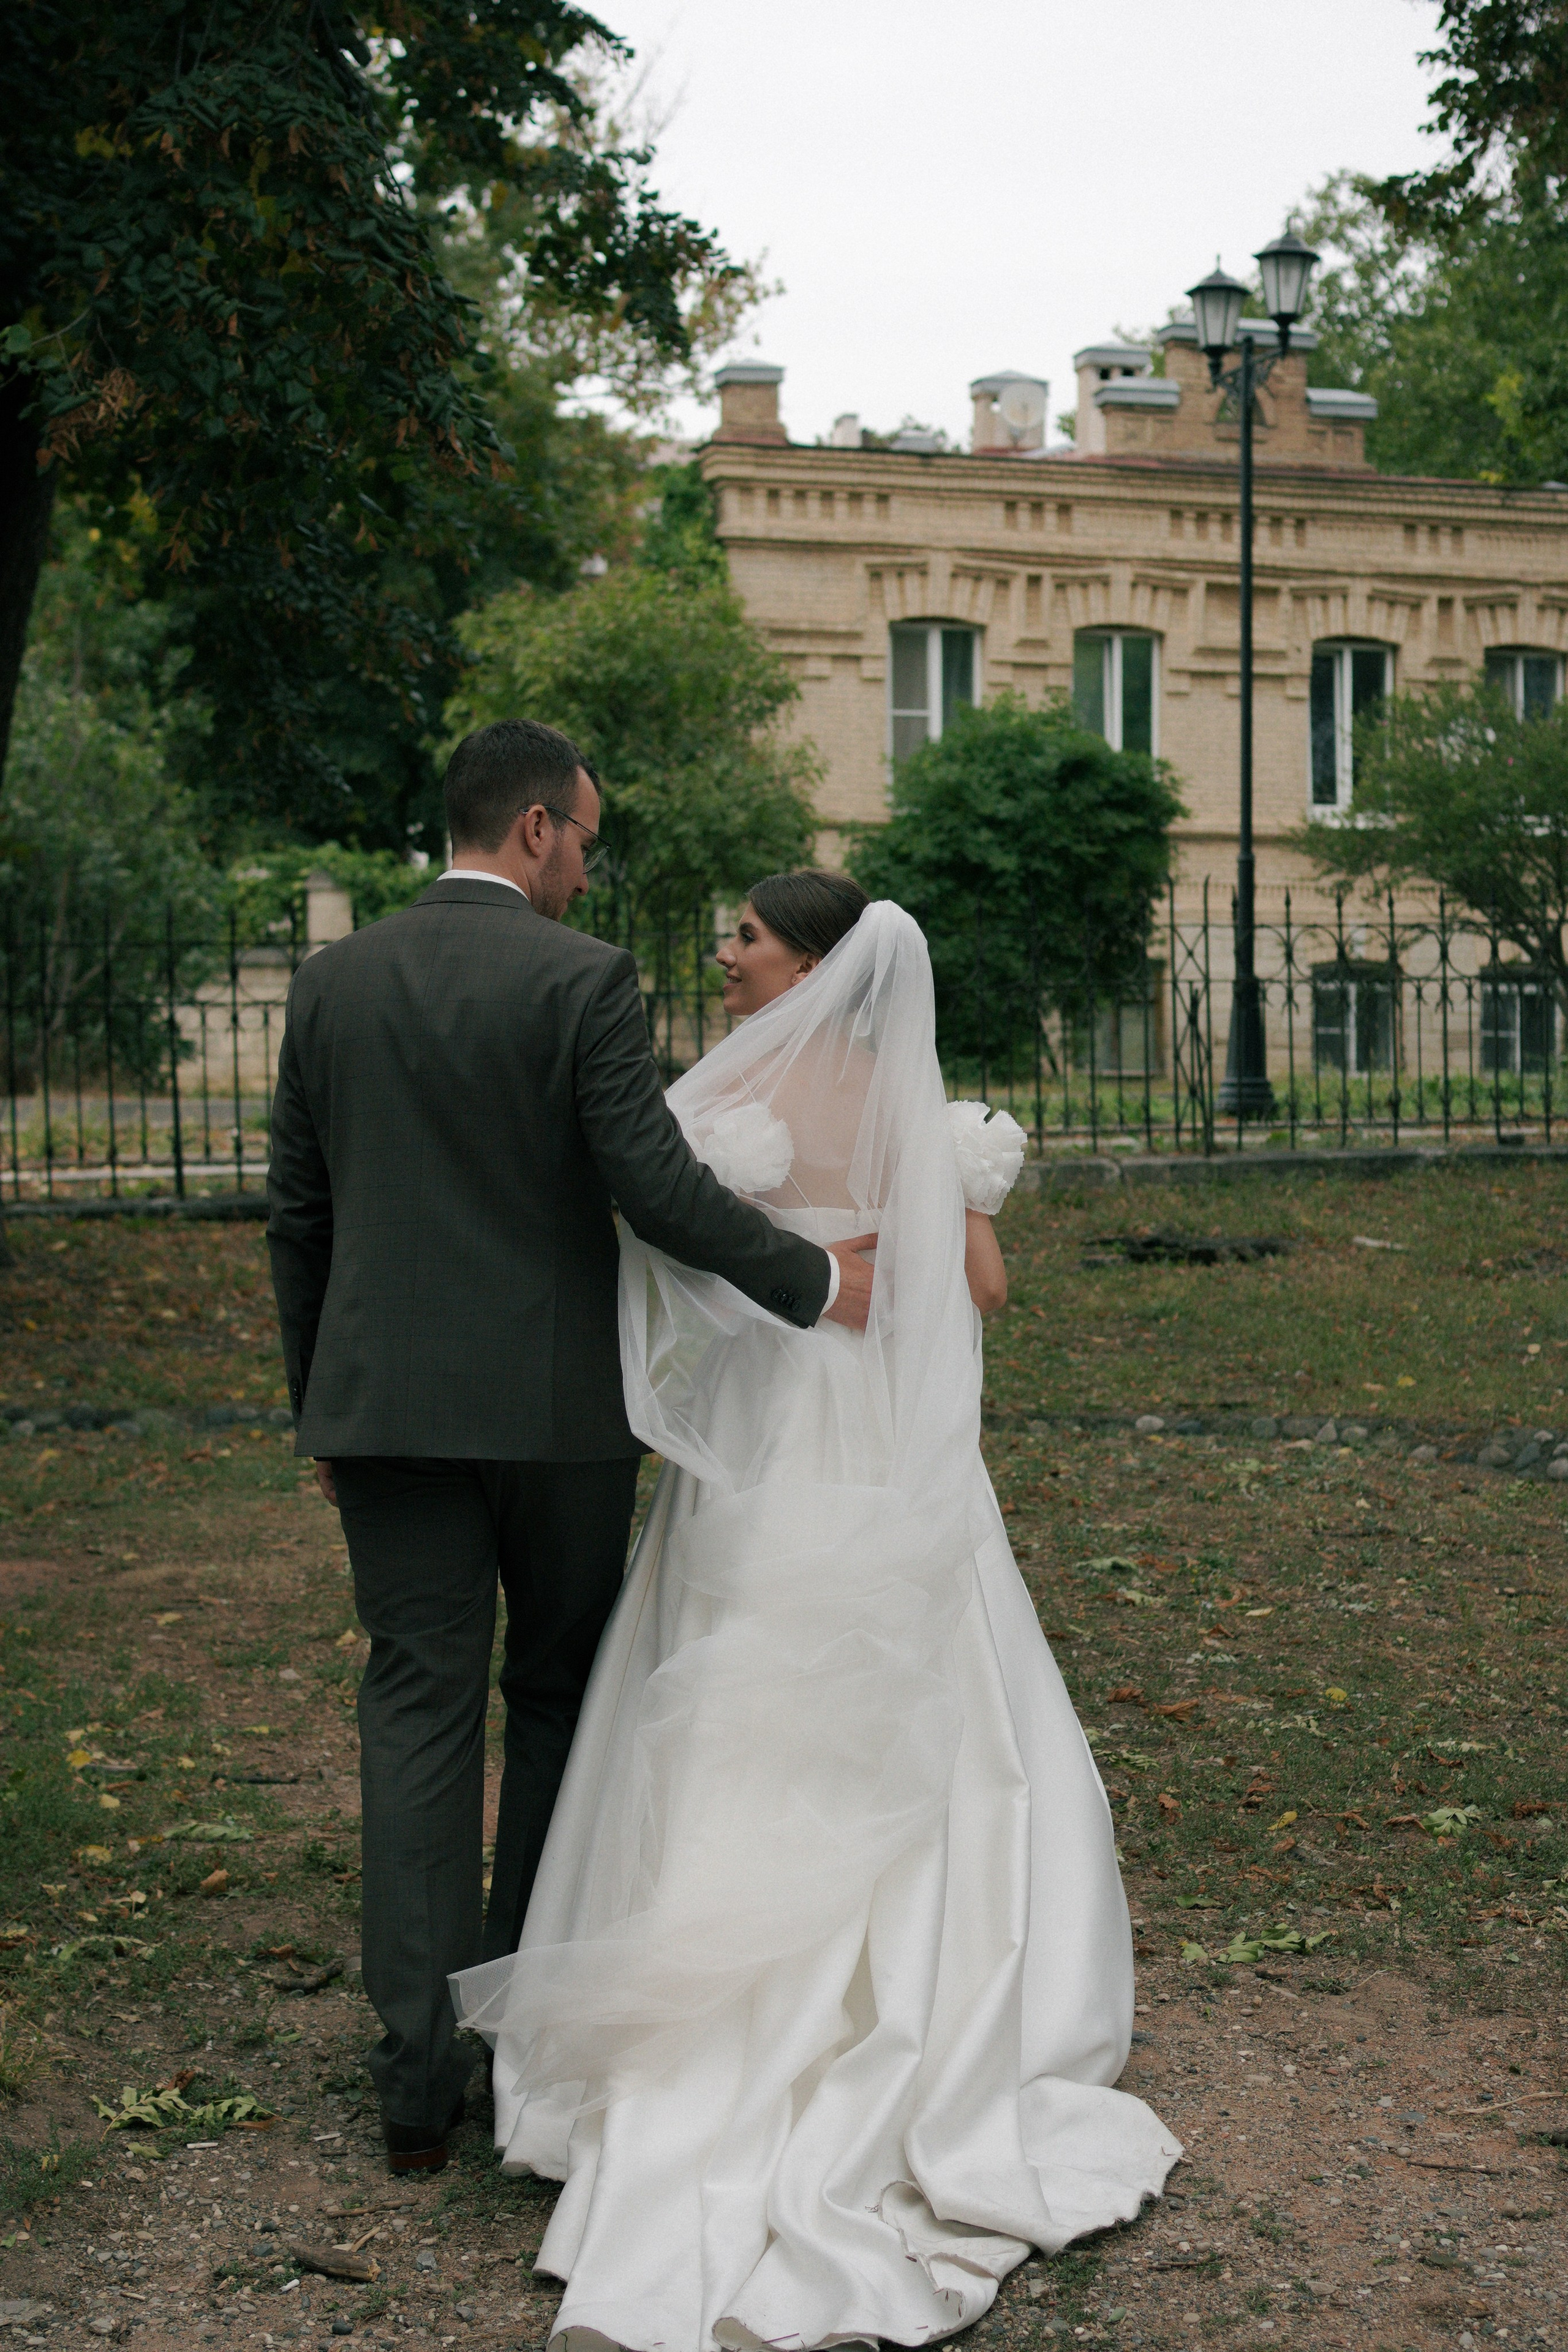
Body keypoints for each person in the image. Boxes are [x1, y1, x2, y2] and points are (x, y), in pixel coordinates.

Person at [452, 875, 1179, 2351]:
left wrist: (791, 1268)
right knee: (919, 1697)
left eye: (747, 940)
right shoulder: (918, 1110)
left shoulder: (730, 1112)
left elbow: (686, 1269)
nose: (723, 958)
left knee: (732, 1696)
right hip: (891, 1448)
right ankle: (909, 2010)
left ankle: (719, 2018)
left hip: (782, 1437)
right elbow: (972, 1292)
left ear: (817, 964)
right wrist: (931, 1223)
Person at [266, 726, 874, 2178]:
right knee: (551, 1700)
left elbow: (299, 1214)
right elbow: (650, 1182)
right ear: (534, 828)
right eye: (587, 836)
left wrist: (323, 1408)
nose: (589, 861)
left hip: (386, 1413)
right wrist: (811, 1284)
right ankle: (513, 2019)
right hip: (552, 1421)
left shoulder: (331, 982)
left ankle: (412, 2076)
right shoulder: (582, 978)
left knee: (415, 1710)